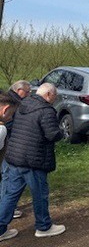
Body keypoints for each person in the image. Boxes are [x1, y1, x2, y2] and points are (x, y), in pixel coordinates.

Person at [0, 83, 65, 242]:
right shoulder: (46, 110)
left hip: (15, 156)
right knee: (40, 194)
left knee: (10, 195)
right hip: (34, 159)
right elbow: (52, 134)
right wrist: (61, 132)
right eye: (54, 96)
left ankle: (0, 229)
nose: (55, 99)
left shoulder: (23, 104)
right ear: (48, 95)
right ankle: (44, 226)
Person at [2, 81, 30, 220]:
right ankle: (6, 208)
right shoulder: (14, 103)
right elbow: (9, 123)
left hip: (8, 142)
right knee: (6, 175)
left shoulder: (9, 99)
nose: (29, 94)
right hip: (8, 143)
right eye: (27, 91)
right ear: (19, 90)